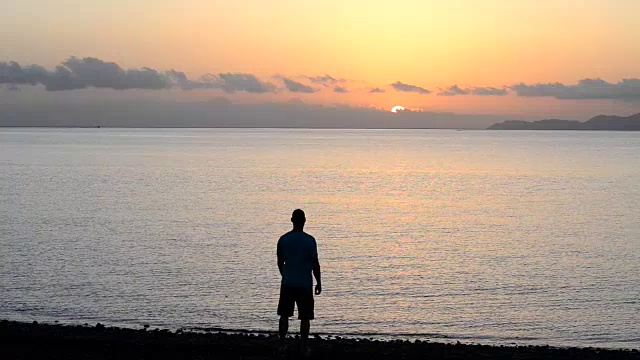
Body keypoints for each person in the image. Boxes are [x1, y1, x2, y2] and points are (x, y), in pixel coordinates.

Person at [277, 209, 322, 354]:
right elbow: (315, 263)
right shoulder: (309, 241)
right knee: (305, 317)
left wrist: (285, 275)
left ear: (292, 220)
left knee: (284, 315)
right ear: (304, 221)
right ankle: (303, 346)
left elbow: (280, 261)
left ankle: (282, 343)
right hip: (304, 284)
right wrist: (319, 282)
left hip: (288, 282)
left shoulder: (283, 239)